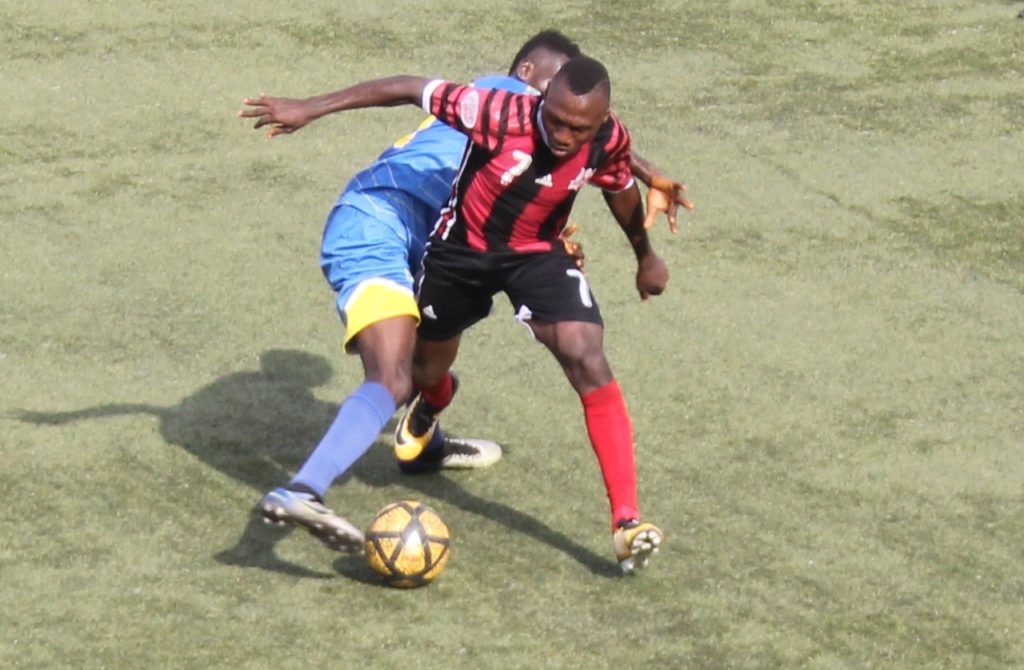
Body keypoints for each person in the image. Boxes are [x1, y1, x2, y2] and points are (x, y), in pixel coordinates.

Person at [240, 36, 690, 568]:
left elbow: (605, 151)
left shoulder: (589, 130)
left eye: (580, 124)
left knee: (573, 353)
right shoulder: (501, 100)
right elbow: (408, 87)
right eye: (551, 98)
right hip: (390, 225)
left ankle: (623, 520)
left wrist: (643, 215)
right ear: (531, 77)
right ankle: (309, 486)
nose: (563, 132)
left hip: (496, 245)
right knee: (399, 374)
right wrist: (310, 108)